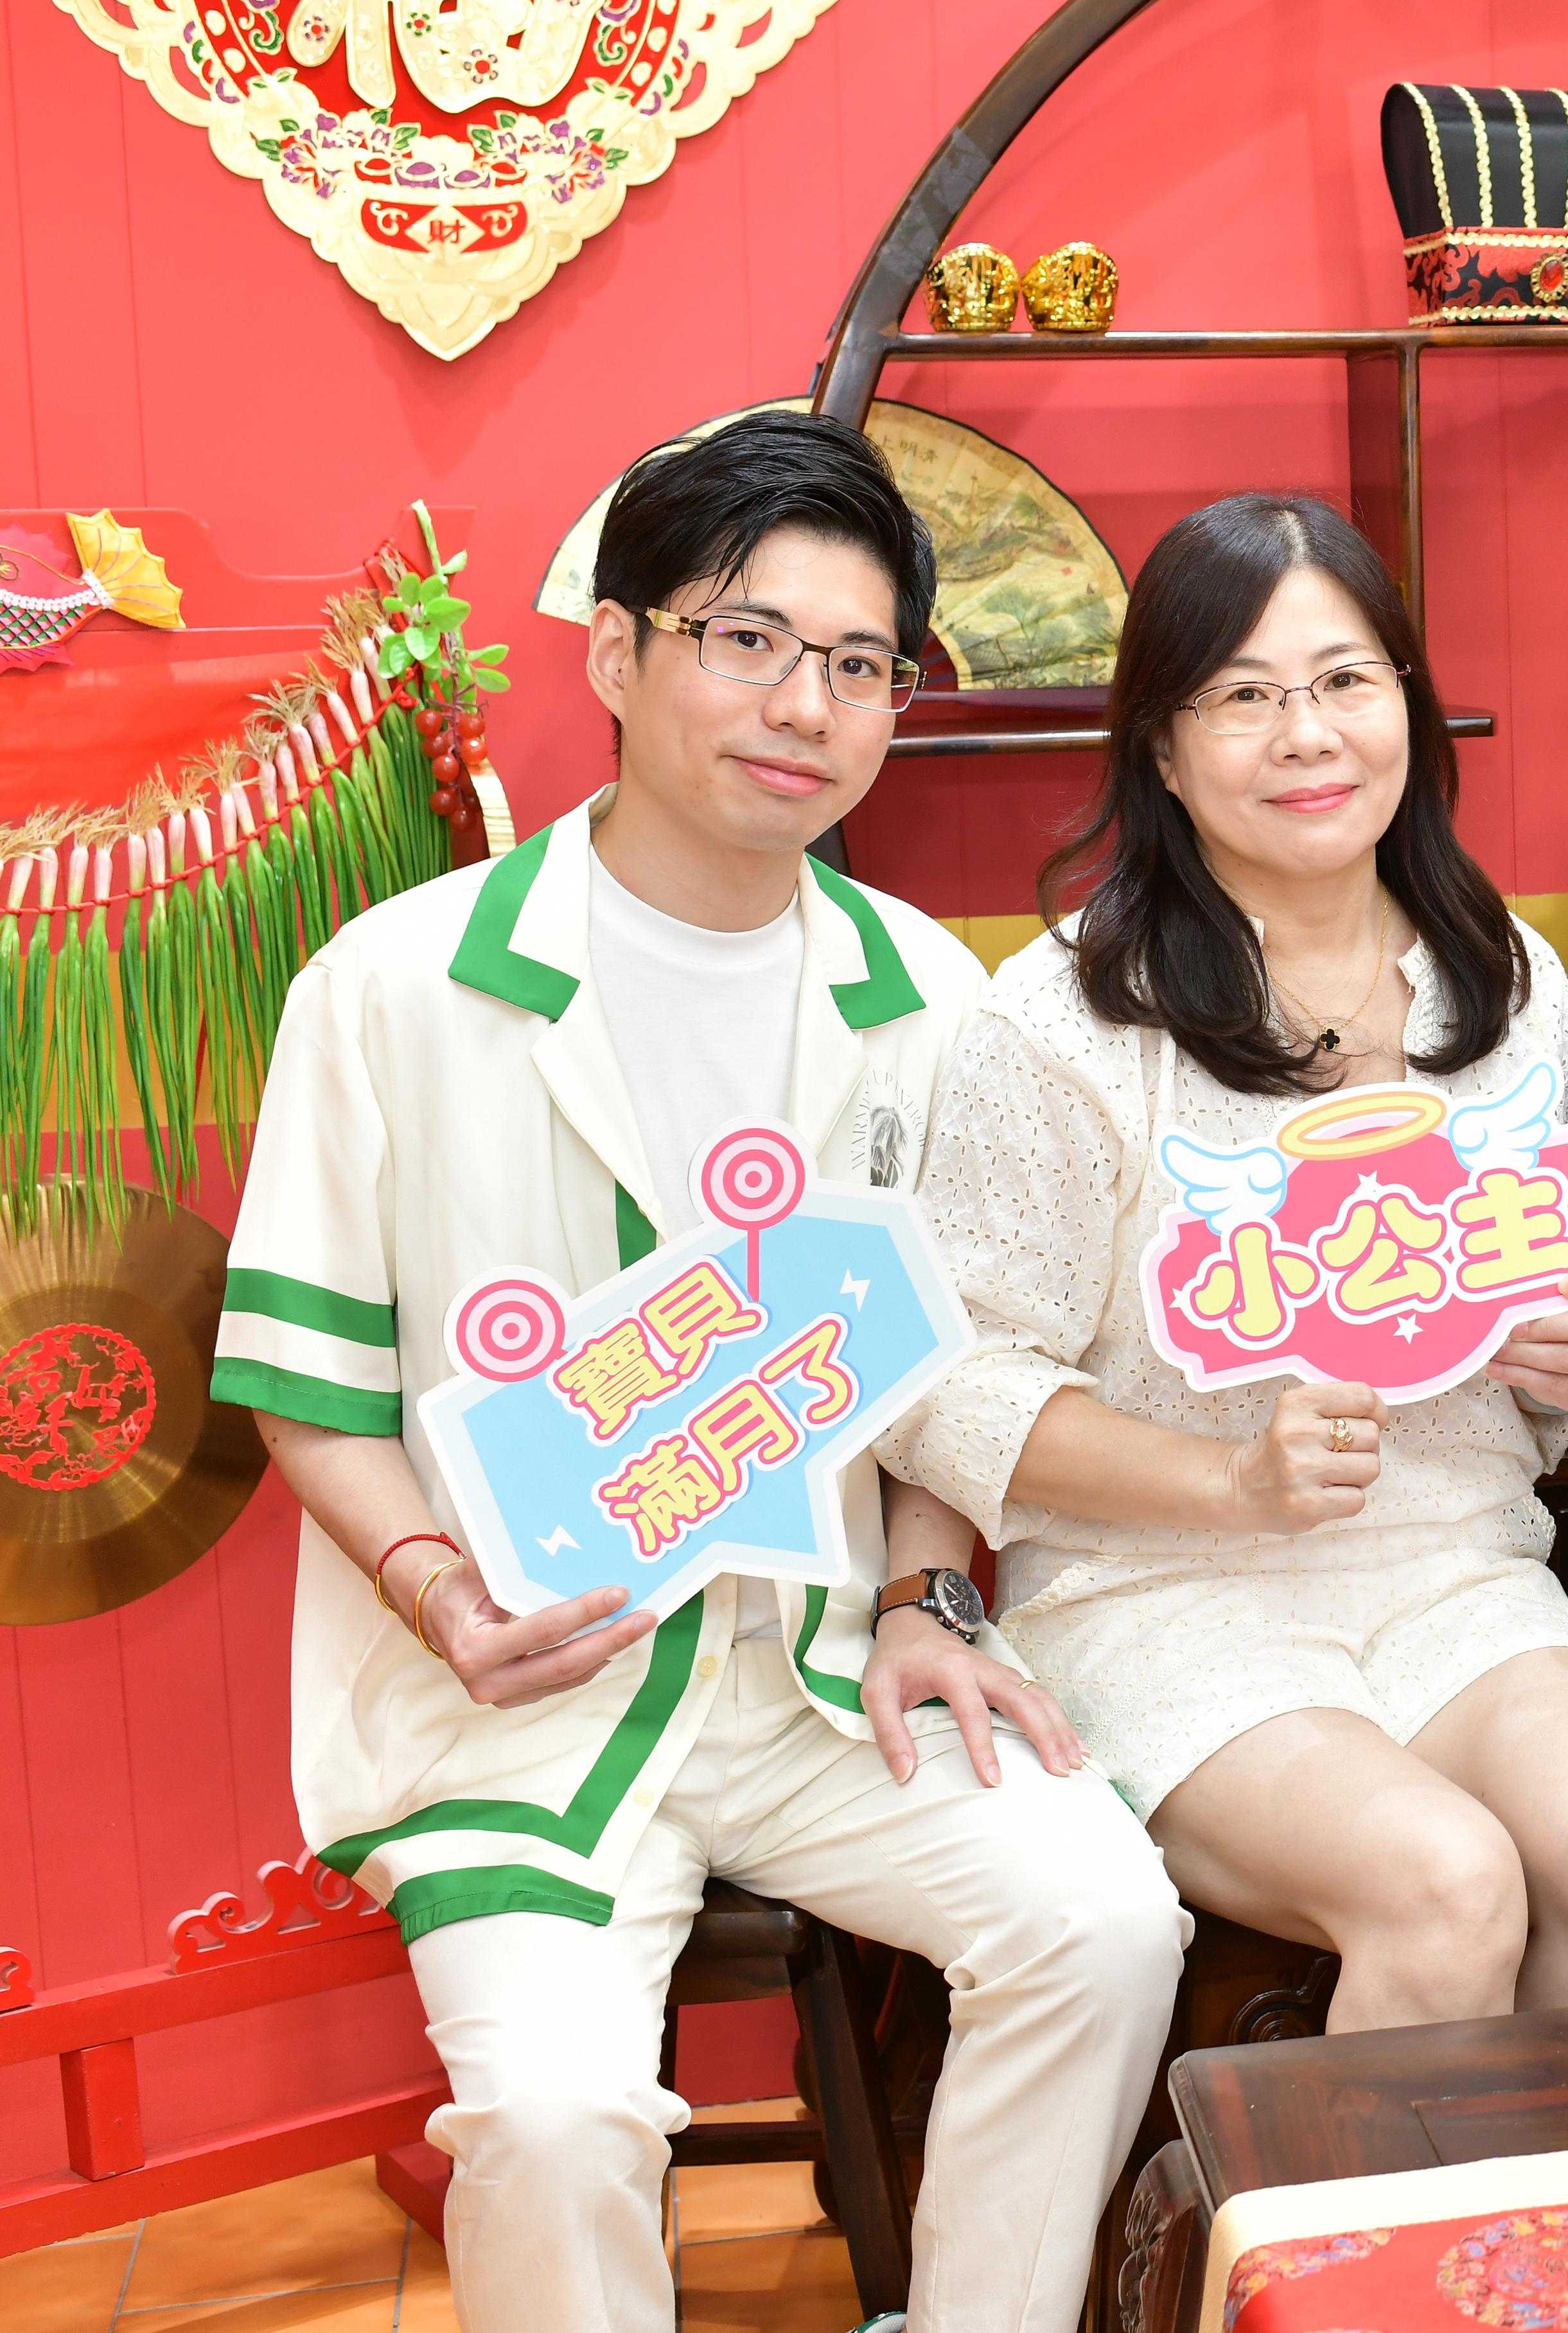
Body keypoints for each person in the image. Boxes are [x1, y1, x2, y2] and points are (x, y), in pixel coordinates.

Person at [209, 412, 1185, 2333]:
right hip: (518, 1692)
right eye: (747, 639)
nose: (803, 704)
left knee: (1101, 1920)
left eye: (859, 661)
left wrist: (923, 1589)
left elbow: (957, 1361)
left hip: (826, 1672)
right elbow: (307, 1381)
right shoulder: (396, 986)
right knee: (555, 2119)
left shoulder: (930, 995)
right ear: (614, 650)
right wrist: (440, 1591)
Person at [874, 494, 1568, 2032]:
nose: (1307, 733)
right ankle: (1339, 2208)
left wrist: (1564, 1363)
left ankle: (1532, 2195)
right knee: (1446, 1884)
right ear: (1160, 747)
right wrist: (1230, 1481)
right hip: (1157, 1588)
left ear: (1407, 701)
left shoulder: (1506, 982)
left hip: (1453, 1564)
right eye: (1243, 696)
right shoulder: (1063, 1018)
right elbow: (950, 1384)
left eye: (1343, 680)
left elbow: (1528, 1358)